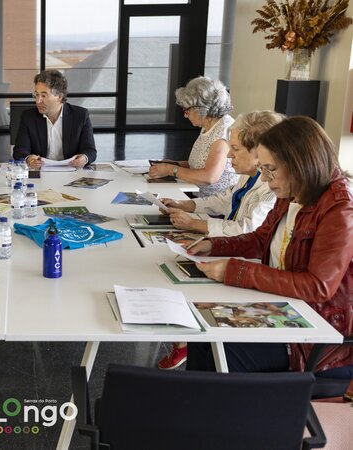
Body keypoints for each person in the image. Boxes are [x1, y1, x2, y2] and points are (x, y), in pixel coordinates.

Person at [187, 116, 353, 379]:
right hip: (282, 307)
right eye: (263, 169)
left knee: (225, 353)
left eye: (270, 169)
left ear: (299, 165)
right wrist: (214, 245)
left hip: (314, 334)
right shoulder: (293, 191)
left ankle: (217, 405)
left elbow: (318, 287)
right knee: (201, 330)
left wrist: (237, 271)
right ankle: (195, 404)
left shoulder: (339, 209)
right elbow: (260, 239)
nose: (264, 177)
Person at [156, 110, 284, 370]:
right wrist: (189, 206)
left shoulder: (274, 189)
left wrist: (196, 224)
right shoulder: (253, 176)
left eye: (235, 149)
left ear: (259, 152)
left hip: (251, 268)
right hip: (243, 258)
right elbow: (227, 200)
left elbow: (248, 229)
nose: (228, 156)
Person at [148, 76, 237, 197]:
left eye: (187, 110)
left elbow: (209, 177)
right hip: (198, 195)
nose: (185, 115)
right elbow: (200, 164)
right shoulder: (209, 125)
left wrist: (170, 169)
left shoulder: (222, 134)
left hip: (213, 202)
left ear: (201, 108)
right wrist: (175, 164)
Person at [13, 69, 97, 169]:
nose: (38, 101)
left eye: (44, 95)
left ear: (59, 97)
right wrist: (29, 159)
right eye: (36, 94)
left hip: (71, 171)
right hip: (40, 172)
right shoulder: (28, 117)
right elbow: (19, 150)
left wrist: (84, 158)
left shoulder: (80, 116)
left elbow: (90, 150)